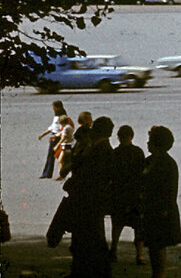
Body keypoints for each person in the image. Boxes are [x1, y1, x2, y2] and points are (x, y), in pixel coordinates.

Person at [66, 115, 115, 277]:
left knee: (88, 238)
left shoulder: (99, 152)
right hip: (94, 202)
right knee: (93, 237)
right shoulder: (103, 150)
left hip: (89, 202)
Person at [141, 126, 181, 278]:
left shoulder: (166, 163)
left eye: (150, 140)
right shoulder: (152, 161)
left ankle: (159, 274)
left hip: (161, 210)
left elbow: (170, 189)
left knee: (158, 246)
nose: (147, 143)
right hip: (152, 208)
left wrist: (165, 209)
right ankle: (157, 273)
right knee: (154, 246)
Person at [110, 124, 146, 265]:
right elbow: (142, 174)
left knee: (117, 226)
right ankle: (139, 255)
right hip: (134, 194)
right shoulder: (138, 152)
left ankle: (113, 251)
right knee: (138, 227)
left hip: (120, 194)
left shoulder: (115, 153)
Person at [38, 100, 67, 179]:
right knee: (55, 156)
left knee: (53, 155)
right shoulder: (56, 116)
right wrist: (43, 134)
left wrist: (56, 137)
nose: (53, 108)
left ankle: (48, 173)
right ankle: (49, 173)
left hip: (56, 137)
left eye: (54, 107)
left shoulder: (61, 117)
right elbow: (52, 127)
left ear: (57, 107)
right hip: (54, 136)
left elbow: (59, 129)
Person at [55, 115, 76, 180]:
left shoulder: (65, 128)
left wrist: (57, 145)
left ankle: (61, 175)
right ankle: (62, 174)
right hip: (69, 145)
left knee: (61, 160)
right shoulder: (69, 127)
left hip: (66, 146)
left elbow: (63, 137)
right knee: (64, 161)